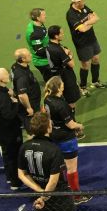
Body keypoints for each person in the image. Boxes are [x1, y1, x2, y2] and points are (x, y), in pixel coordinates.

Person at [17, 111, 88, 211]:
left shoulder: (25, 147)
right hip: (57, 194)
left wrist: (39, 192)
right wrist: (46, 195)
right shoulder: (53, 150)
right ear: (48, 127)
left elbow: (21, 174)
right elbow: (54, 179)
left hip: (40, 194)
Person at [43, 76, 89, 204]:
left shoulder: (47, 99)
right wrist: (79, 125)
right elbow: (70, 125)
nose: (63, 86)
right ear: (58, 88)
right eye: (62, 85)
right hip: (66, 139)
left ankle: (61, 189)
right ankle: (76, 196)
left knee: (60, 165)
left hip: (54, 136)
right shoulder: (61, 105)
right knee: (72, 169)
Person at [0, 67, 24, 190]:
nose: (9, 75)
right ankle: (16, 182)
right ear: (2, 79)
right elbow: (9, 115)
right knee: (14, 155)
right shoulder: (1, 97)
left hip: (1, 130)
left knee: (7, 154)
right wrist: (15, 102)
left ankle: (9, 177)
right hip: (10, 131)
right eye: (7, 74)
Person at [66, 0, 106, 96]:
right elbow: (82, 30)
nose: (84, 2)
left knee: (96, 59)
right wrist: (89, 22)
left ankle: (95, 81)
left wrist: (87, 23)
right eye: (82, 0)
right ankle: (83, 87)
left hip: (92, 39)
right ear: (77, 2)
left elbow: (96, 17)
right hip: (82, 43)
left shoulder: (83, 7)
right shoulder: (71, 15)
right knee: (85, 65)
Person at [44, 25, 82, 108]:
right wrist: (69, 54)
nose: (63, 34)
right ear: (56, 36)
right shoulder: (58, 50)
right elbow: (72, 64)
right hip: (65, 76)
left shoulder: (48, 46)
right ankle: (71, 118)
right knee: (71, 101)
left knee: (63, 96)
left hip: (56, 74)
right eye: (61, 33)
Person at [11, 48, 42, 133]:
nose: (31, 55)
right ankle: (33, 132)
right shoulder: (22, 76)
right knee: (31, 120)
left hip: (30, 99)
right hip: (31, 102)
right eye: (28, 55)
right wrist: (28, 108)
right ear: (23, 59)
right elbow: (22, 95)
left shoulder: (15, 66)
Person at [25, 8, 50, 79]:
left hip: (46, 58)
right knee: (52, 81)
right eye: (44, 15)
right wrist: (54, 50)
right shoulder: (35, 33)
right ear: (38, 18)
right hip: (43, 62)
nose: (46, 16)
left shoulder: (36, 24)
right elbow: (39, 51)